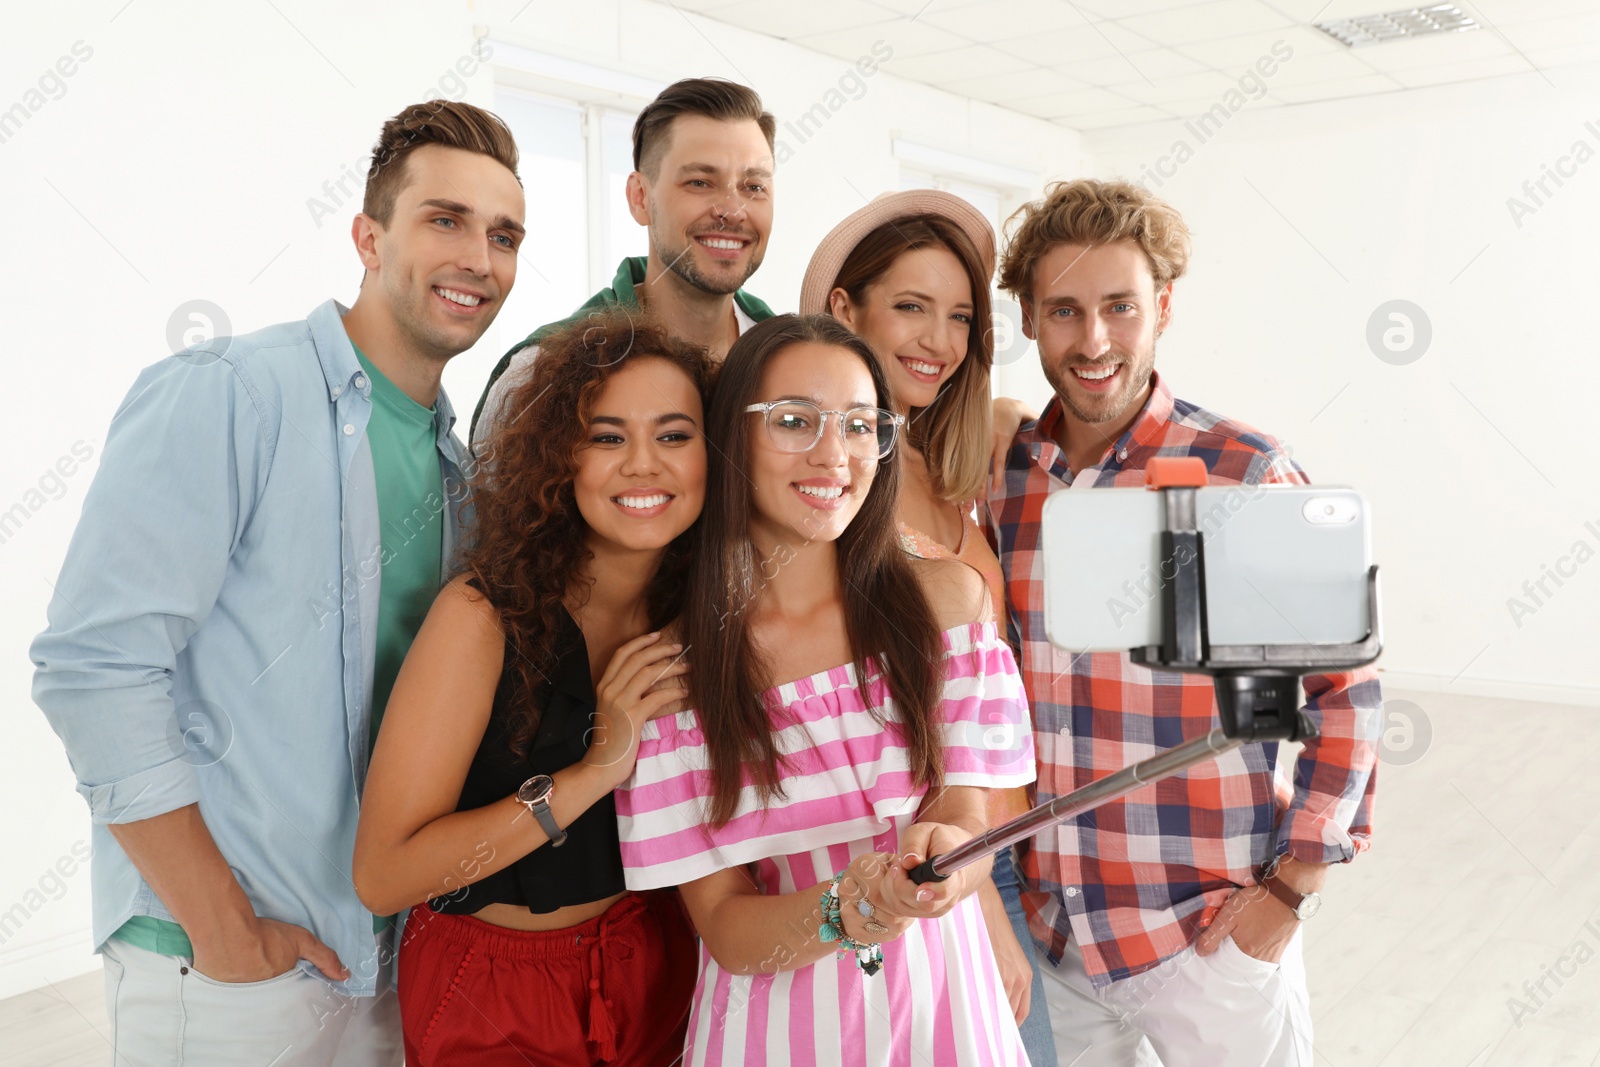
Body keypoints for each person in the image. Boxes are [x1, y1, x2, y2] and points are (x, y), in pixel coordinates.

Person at [29, 101, 525, 1064]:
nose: (480, 258)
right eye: (445, 219)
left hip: (378, 958)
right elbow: (94, 668)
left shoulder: (459, 472)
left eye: (504, 235)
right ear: (368, 236)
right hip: (223, 969)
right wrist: (222, 928)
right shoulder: (234, 390)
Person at [988, 178, 1383, 1065]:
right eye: (1064, 310)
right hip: (1061, 937)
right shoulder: (1004, 483)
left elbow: (1346, 686)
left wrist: (1294, 884)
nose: (1094, 341)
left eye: (1120, 307)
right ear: (1027, 318)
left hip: (1209, 931)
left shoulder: (1241, 469)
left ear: (1161, 306)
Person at [615, 314, 1037, 1065]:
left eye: (857, 424)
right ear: (730, 435)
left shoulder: (950, 607)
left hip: (948, 1018)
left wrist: (945, 865)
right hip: (772, 1036)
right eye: (793, 421)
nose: (831, 453)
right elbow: (724, 924)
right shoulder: (679, 672)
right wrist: (848, 909)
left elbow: (965, 815)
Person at [353, 311, 709, 1065]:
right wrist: (592, 774)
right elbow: (384, 875)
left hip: (658, 959)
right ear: (561, 458)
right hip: (494, 989)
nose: (644, 464)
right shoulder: (481, 617)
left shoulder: (703, 608)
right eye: (608, 437)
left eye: (674, 435)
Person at [799, 189, 1057, 1065]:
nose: (937, 341)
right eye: (909, 306)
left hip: (1009, 836)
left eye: (958, 317)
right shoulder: (830, 482)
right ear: (845, 308)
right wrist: (976, 893)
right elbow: (861, 716)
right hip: (930, 856)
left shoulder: (943, 458)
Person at [472, 76, 778, 445]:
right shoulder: (538, 375)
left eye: (754, 187)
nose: (732, 210)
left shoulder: (790, 363)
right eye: (700, 182)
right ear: (639, 198)